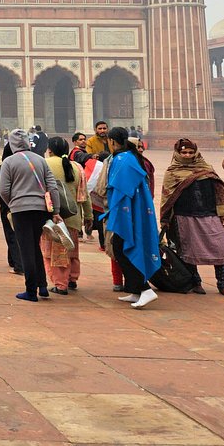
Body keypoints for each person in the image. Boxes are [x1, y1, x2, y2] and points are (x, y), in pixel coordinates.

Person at [161, 139, 224, 297]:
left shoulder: (206, 169)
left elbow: (219, 191)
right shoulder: (172, 172)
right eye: (184, 152)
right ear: (178, 153)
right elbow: (167, 198)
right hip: (184, 216)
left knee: (220, 247)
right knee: (188, 250)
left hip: (209, 215)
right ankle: (195, 282)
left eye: (190, 152)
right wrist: (165, 219)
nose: (187, 155)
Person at [0, 129, 62, 302]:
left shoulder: (9, 162)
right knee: (35, 247)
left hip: (20, 210)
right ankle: (42, 286)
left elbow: (3, 189)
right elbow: (52, 186)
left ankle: (31, 291)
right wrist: (56, 211)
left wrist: (12, 203)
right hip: (40, 209)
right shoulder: (40, 160)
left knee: (25, 249)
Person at [102, 126, 161, 309]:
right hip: (131, 211)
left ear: (112, 141)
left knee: (123, 248)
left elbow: (121, 190)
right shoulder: (127, 157)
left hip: (127, 213)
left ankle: (145, 290)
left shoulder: (122, 159)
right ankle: (136, 290)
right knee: (122, 248)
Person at [41, 136, 92, 295]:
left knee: (55, 252)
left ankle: (60, 283)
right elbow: (84, 195)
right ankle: (72, 279)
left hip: (53, 217)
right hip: (73, 217)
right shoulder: (77, 167)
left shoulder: (45, 164)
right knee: (71, 249)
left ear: (49, 150)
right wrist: (88, 216)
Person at [0, 145, 22, 275]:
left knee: (11, 234)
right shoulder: (25, 166)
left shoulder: (3, 167)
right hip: (25, 205)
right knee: (20, 234)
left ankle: (19, 264)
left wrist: (6, 205)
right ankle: (12, 259)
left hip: (8, 206)